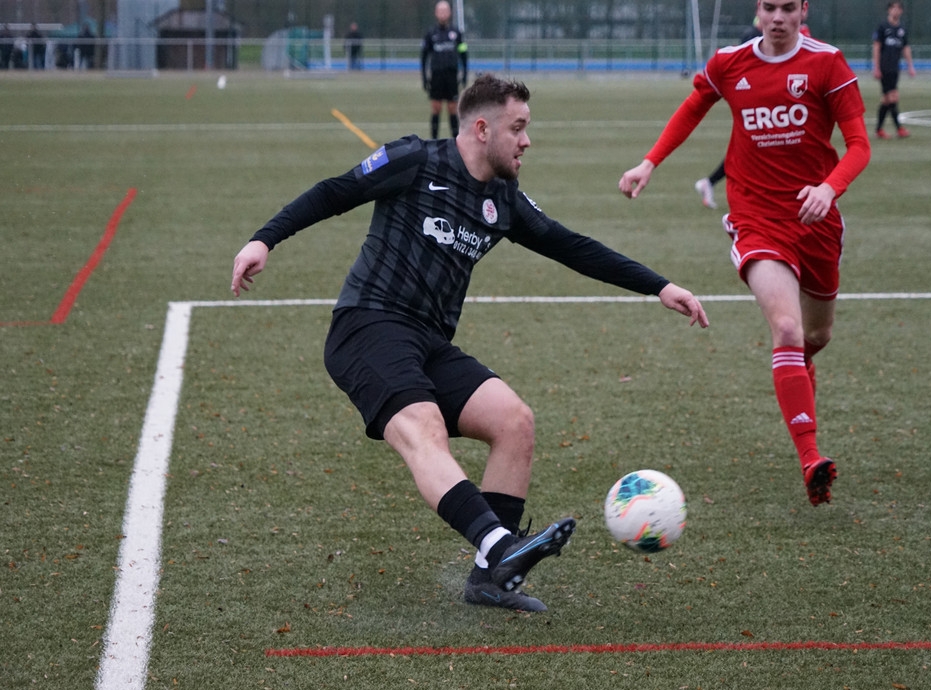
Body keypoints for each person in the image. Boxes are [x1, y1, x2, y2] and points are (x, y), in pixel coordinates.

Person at [231, 74, 709, 611]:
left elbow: (570, 246)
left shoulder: (503, 198)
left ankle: (489, 579)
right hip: (368, 327)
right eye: (518, 128)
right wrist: (263, 239)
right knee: (424, 428)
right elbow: (334, 191)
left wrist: (659, 286)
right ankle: (500, 547)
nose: (527, 141)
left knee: (514, 422)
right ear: (482, 129)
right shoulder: (414, 159)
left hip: (429, 342)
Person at [619, 0, 870, 507]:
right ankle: (810, 458)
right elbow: (693, 107)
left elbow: (859, 145)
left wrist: (829, 188)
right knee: (787, 329)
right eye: (768, 7)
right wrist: (650, 162)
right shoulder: (730, 63)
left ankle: (796, 372)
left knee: (815, 336)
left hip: (816, 220)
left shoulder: (827, 63)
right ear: (758, 10)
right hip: (756, 217)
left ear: (803, 10)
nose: (777, 17)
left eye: (787, 8)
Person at [694, 18, 810, 210]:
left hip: (773, 105)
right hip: (760, 105)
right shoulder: (753, 38)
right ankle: (713, 183)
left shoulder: (798, 38)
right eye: (770, 9)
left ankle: (710, 183)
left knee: (750, 151)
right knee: (750, 151)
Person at [420, 1, 468, 138]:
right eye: (440, 11)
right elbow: (424, 57)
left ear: (450, 13)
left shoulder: (456, 33)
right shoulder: (431, 34)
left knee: (453, 108)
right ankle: (433, 142)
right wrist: (424, 77)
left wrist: (464, 74)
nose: (443, 14)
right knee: (436, 108)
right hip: (437, 76)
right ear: (436, 13)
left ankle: (456, 142)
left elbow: (463, 54)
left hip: (451, 76)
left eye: (445, 11)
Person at [872, 1, 916, 139]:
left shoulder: (902, 29)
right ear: (889, 10)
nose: (895, 11)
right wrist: (876, 67)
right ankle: (899, 129)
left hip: (895, 69)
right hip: (884, 68)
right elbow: (876, 47)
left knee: (886, 100)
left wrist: (910, 66)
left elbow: (906, 48)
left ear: (901, 11)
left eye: (898, 8)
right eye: (893, 8)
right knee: (893, 97)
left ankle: (878, 130)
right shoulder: (883, 27)